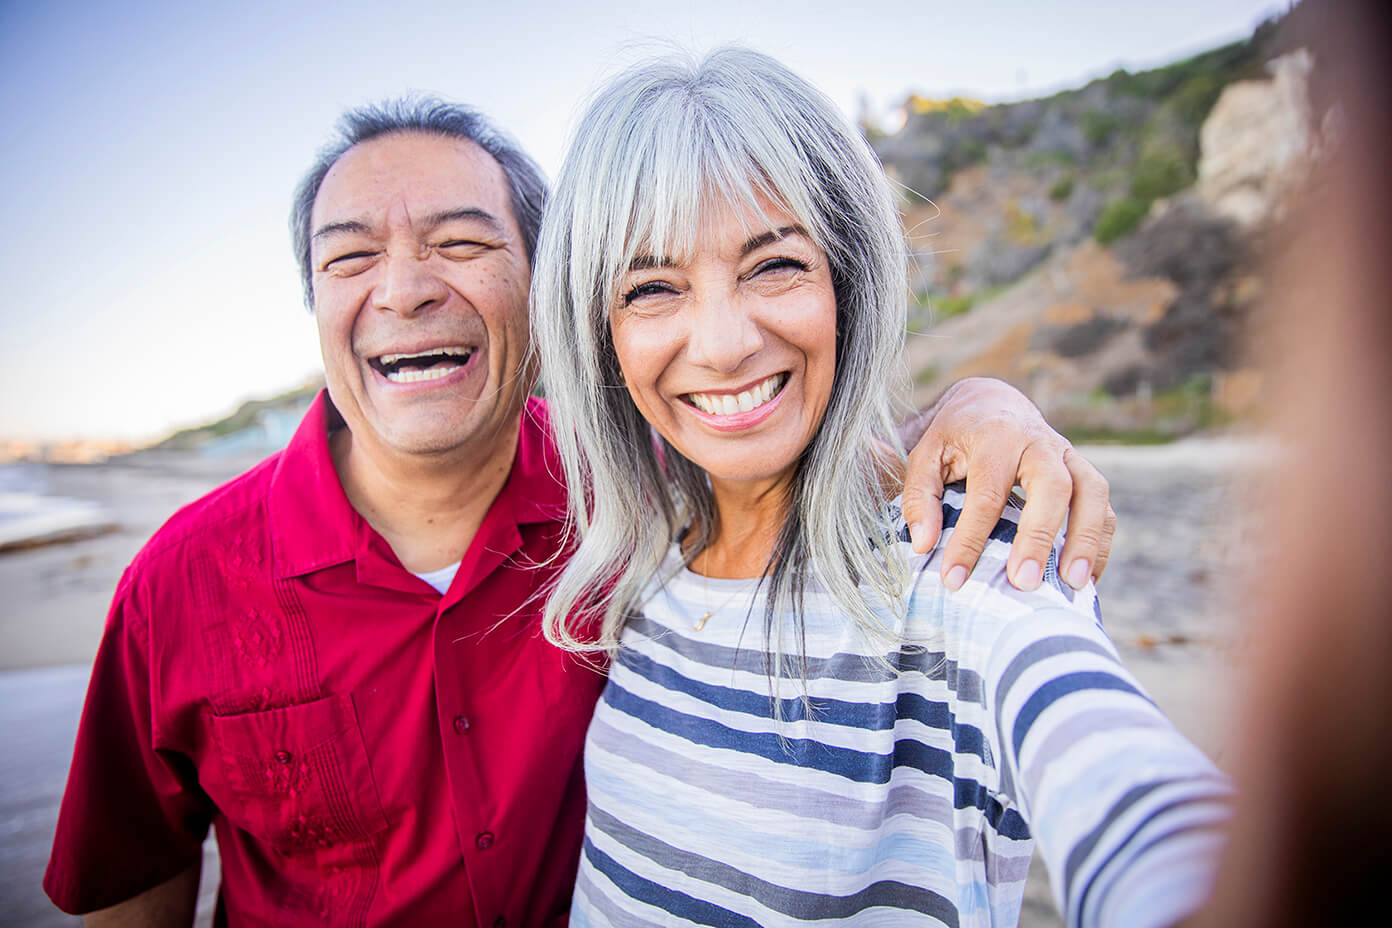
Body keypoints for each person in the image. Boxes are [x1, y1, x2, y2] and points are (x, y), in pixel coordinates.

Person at [43, 100, 1117, 927]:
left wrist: (986, 406)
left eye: (462, 243)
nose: (405, 286)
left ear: (544, 290)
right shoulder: (177, 584)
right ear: (316, 301)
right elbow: (131, 883)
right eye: (350, 256)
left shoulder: (651, 489)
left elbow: (814, 437)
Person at [531, 48, 1230, 927]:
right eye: (653, 287)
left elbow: (1133, 794)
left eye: (773, 266)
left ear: (848, 286)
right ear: (602, 339)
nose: (720, 344)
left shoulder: (959, 555)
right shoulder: (642, 576)